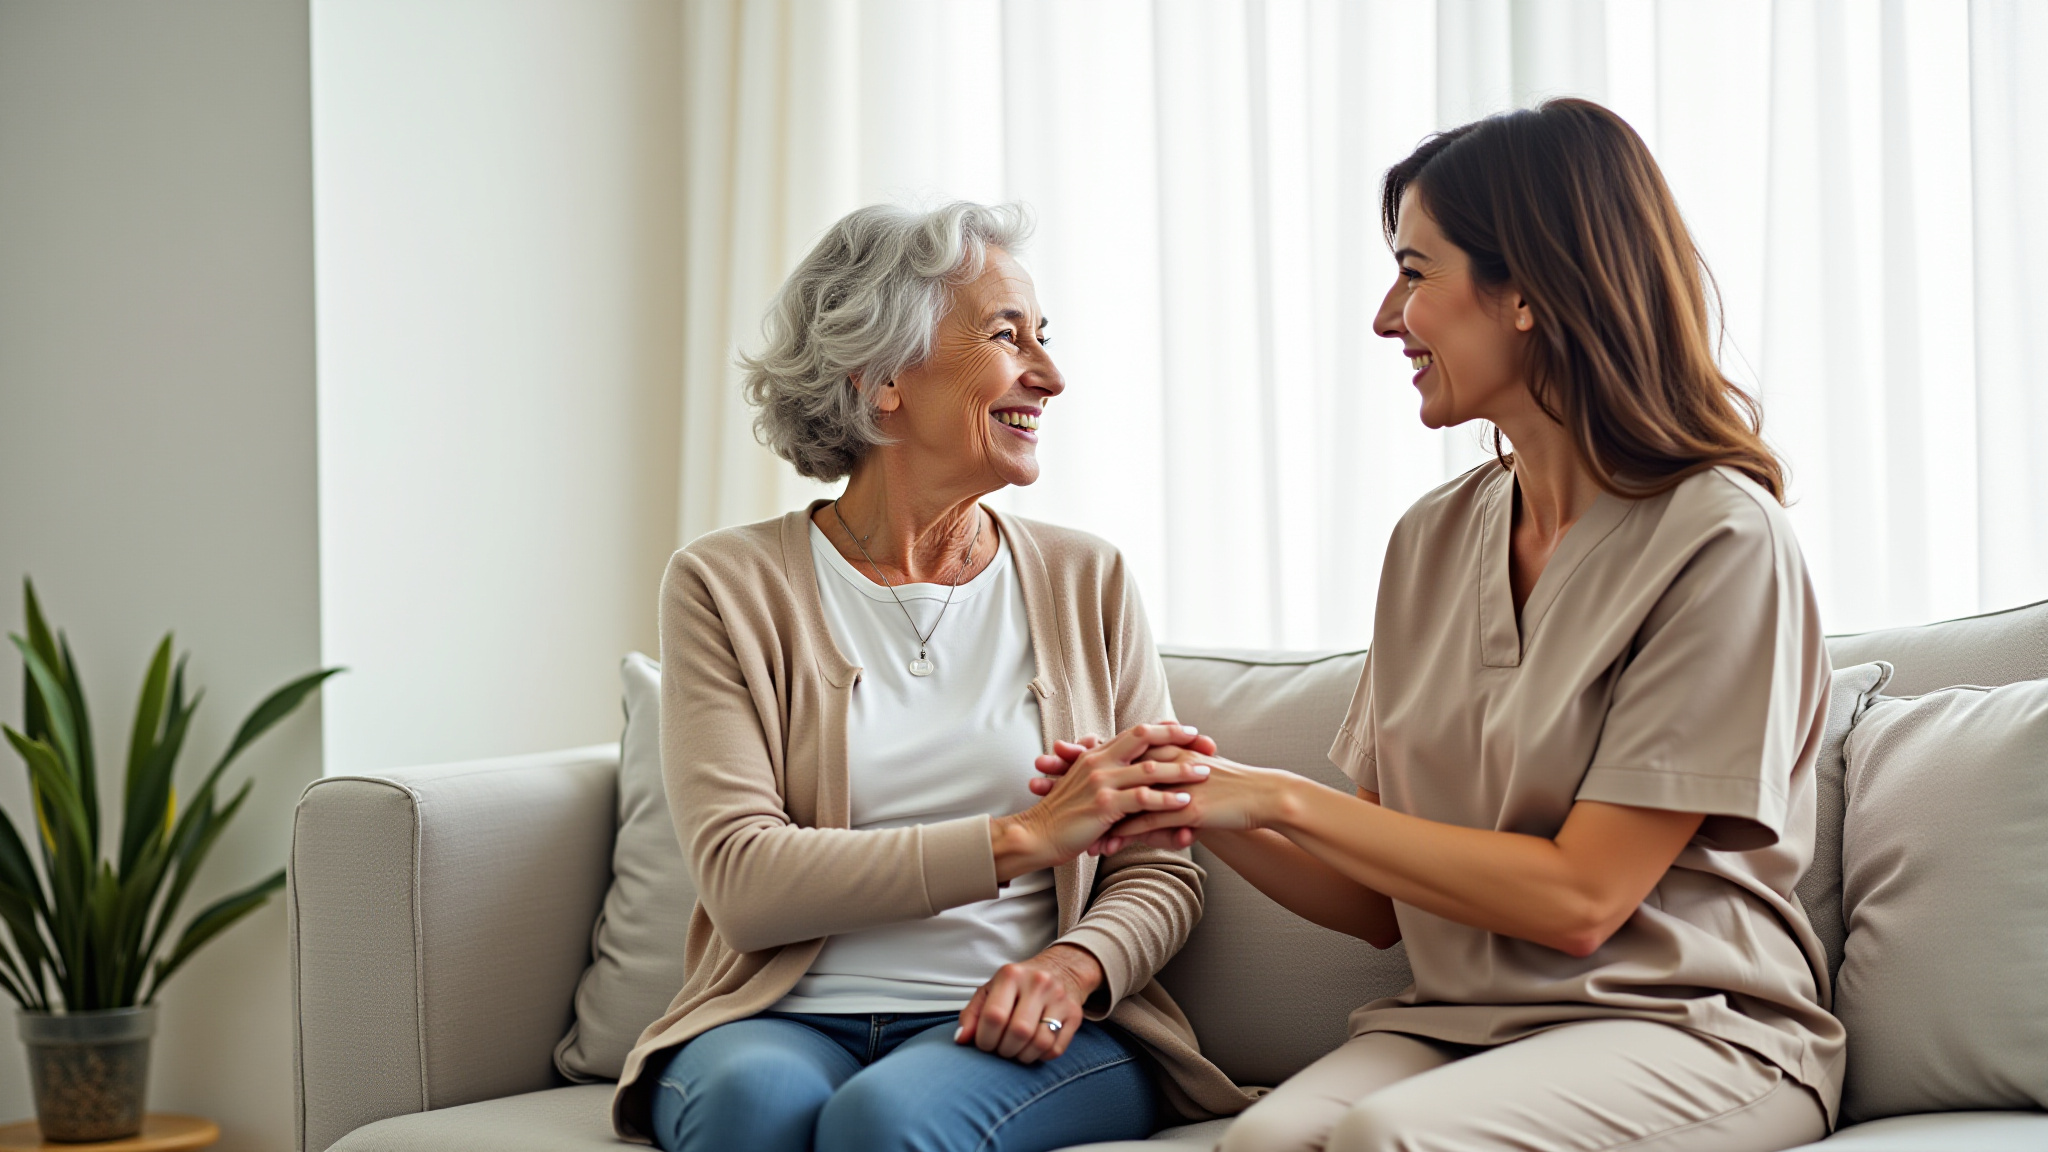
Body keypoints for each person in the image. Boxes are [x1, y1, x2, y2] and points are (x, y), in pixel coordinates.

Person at [1040, 99, 1843, 1152]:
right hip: (1462, 1025)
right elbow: (1377, 899)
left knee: (1387, 1141)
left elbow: (1579, 899)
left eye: (1415, 273)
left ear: (1525, 293)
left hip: (1691, 1031)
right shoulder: (1430, 540)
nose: (1386, 316)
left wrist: (1276, 794)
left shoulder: (1719, 541)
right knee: (1257, 1144)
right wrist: (1188, 801)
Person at [608, 202, 1255, 1152]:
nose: (1051, 373)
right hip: (782, 1018)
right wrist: (1026, 835)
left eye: (1046, 337)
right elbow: (744, 879)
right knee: (750, 1108)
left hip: (1027, 1023)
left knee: (885, 1121)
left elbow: (1159, 864)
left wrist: (1074, 966)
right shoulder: (725, 584)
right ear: (881, 382)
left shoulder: (1088, 580)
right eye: (1007, 336)